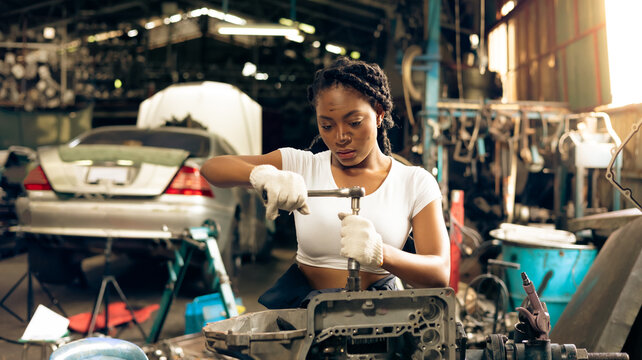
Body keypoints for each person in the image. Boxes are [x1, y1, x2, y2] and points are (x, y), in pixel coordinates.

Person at [201, 57, 450, 309]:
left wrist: (380, 253)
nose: (340, 137)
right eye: (327, 125)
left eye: (354, 123)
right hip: (308, 321)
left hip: (384, 323)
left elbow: (439, 274)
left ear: (378, 113)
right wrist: (263, 175)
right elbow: (212, 168)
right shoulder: (302, 165)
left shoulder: (414, 182)